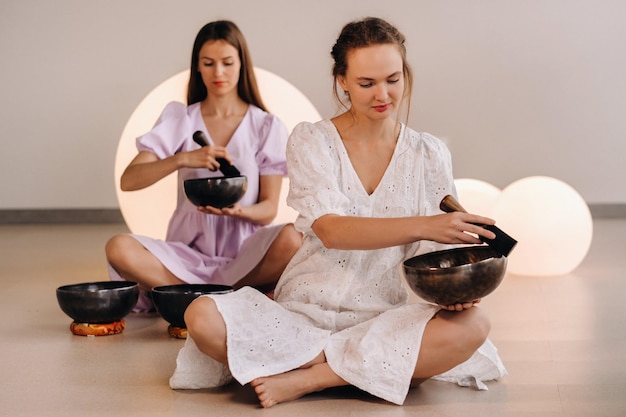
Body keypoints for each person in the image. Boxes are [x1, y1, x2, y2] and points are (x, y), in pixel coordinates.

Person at [170, 17, 507, 407]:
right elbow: (331, 230)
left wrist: (453, 292)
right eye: (367, 83)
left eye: (393, 79)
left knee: (473, 326)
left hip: (385, 318)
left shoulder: (428, 153)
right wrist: (428, 223)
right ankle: (367, 368)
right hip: (304, 314)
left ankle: (310, 377)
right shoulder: (311, 140)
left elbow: (430, 254)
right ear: (342, 81)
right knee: (201, 315)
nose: (383, 94)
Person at [105, 20, 302, 311]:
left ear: (241, 64)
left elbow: (269, 208)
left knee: (293, 238)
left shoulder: (265, 126)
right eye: (208, 63)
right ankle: (225, 297)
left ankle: (197, 297)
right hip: (186, 255)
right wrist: (182, 159)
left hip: (246, 254)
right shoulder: (181, 120)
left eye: (227, 62)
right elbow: (129, 180)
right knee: (118, 247)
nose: (218, 72)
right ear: (197, 66)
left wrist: (238, 211)